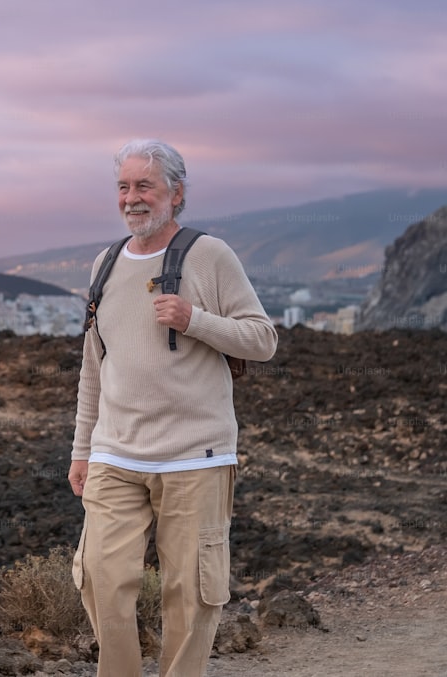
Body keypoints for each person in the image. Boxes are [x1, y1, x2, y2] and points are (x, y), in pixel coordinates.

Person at [68, 139, 278, 677]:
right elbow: (95, 366)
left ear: (176, 193)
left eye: (145, 186)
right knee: (100, 577)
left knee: (192, 597)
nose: (132, 198)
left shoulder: (210, 255)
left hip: (196, 457)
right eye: (124, 187)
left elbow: (262, 339)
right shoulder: (106, 262)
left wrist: (194, 320)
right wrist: (81, 451)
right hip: (115, 455)